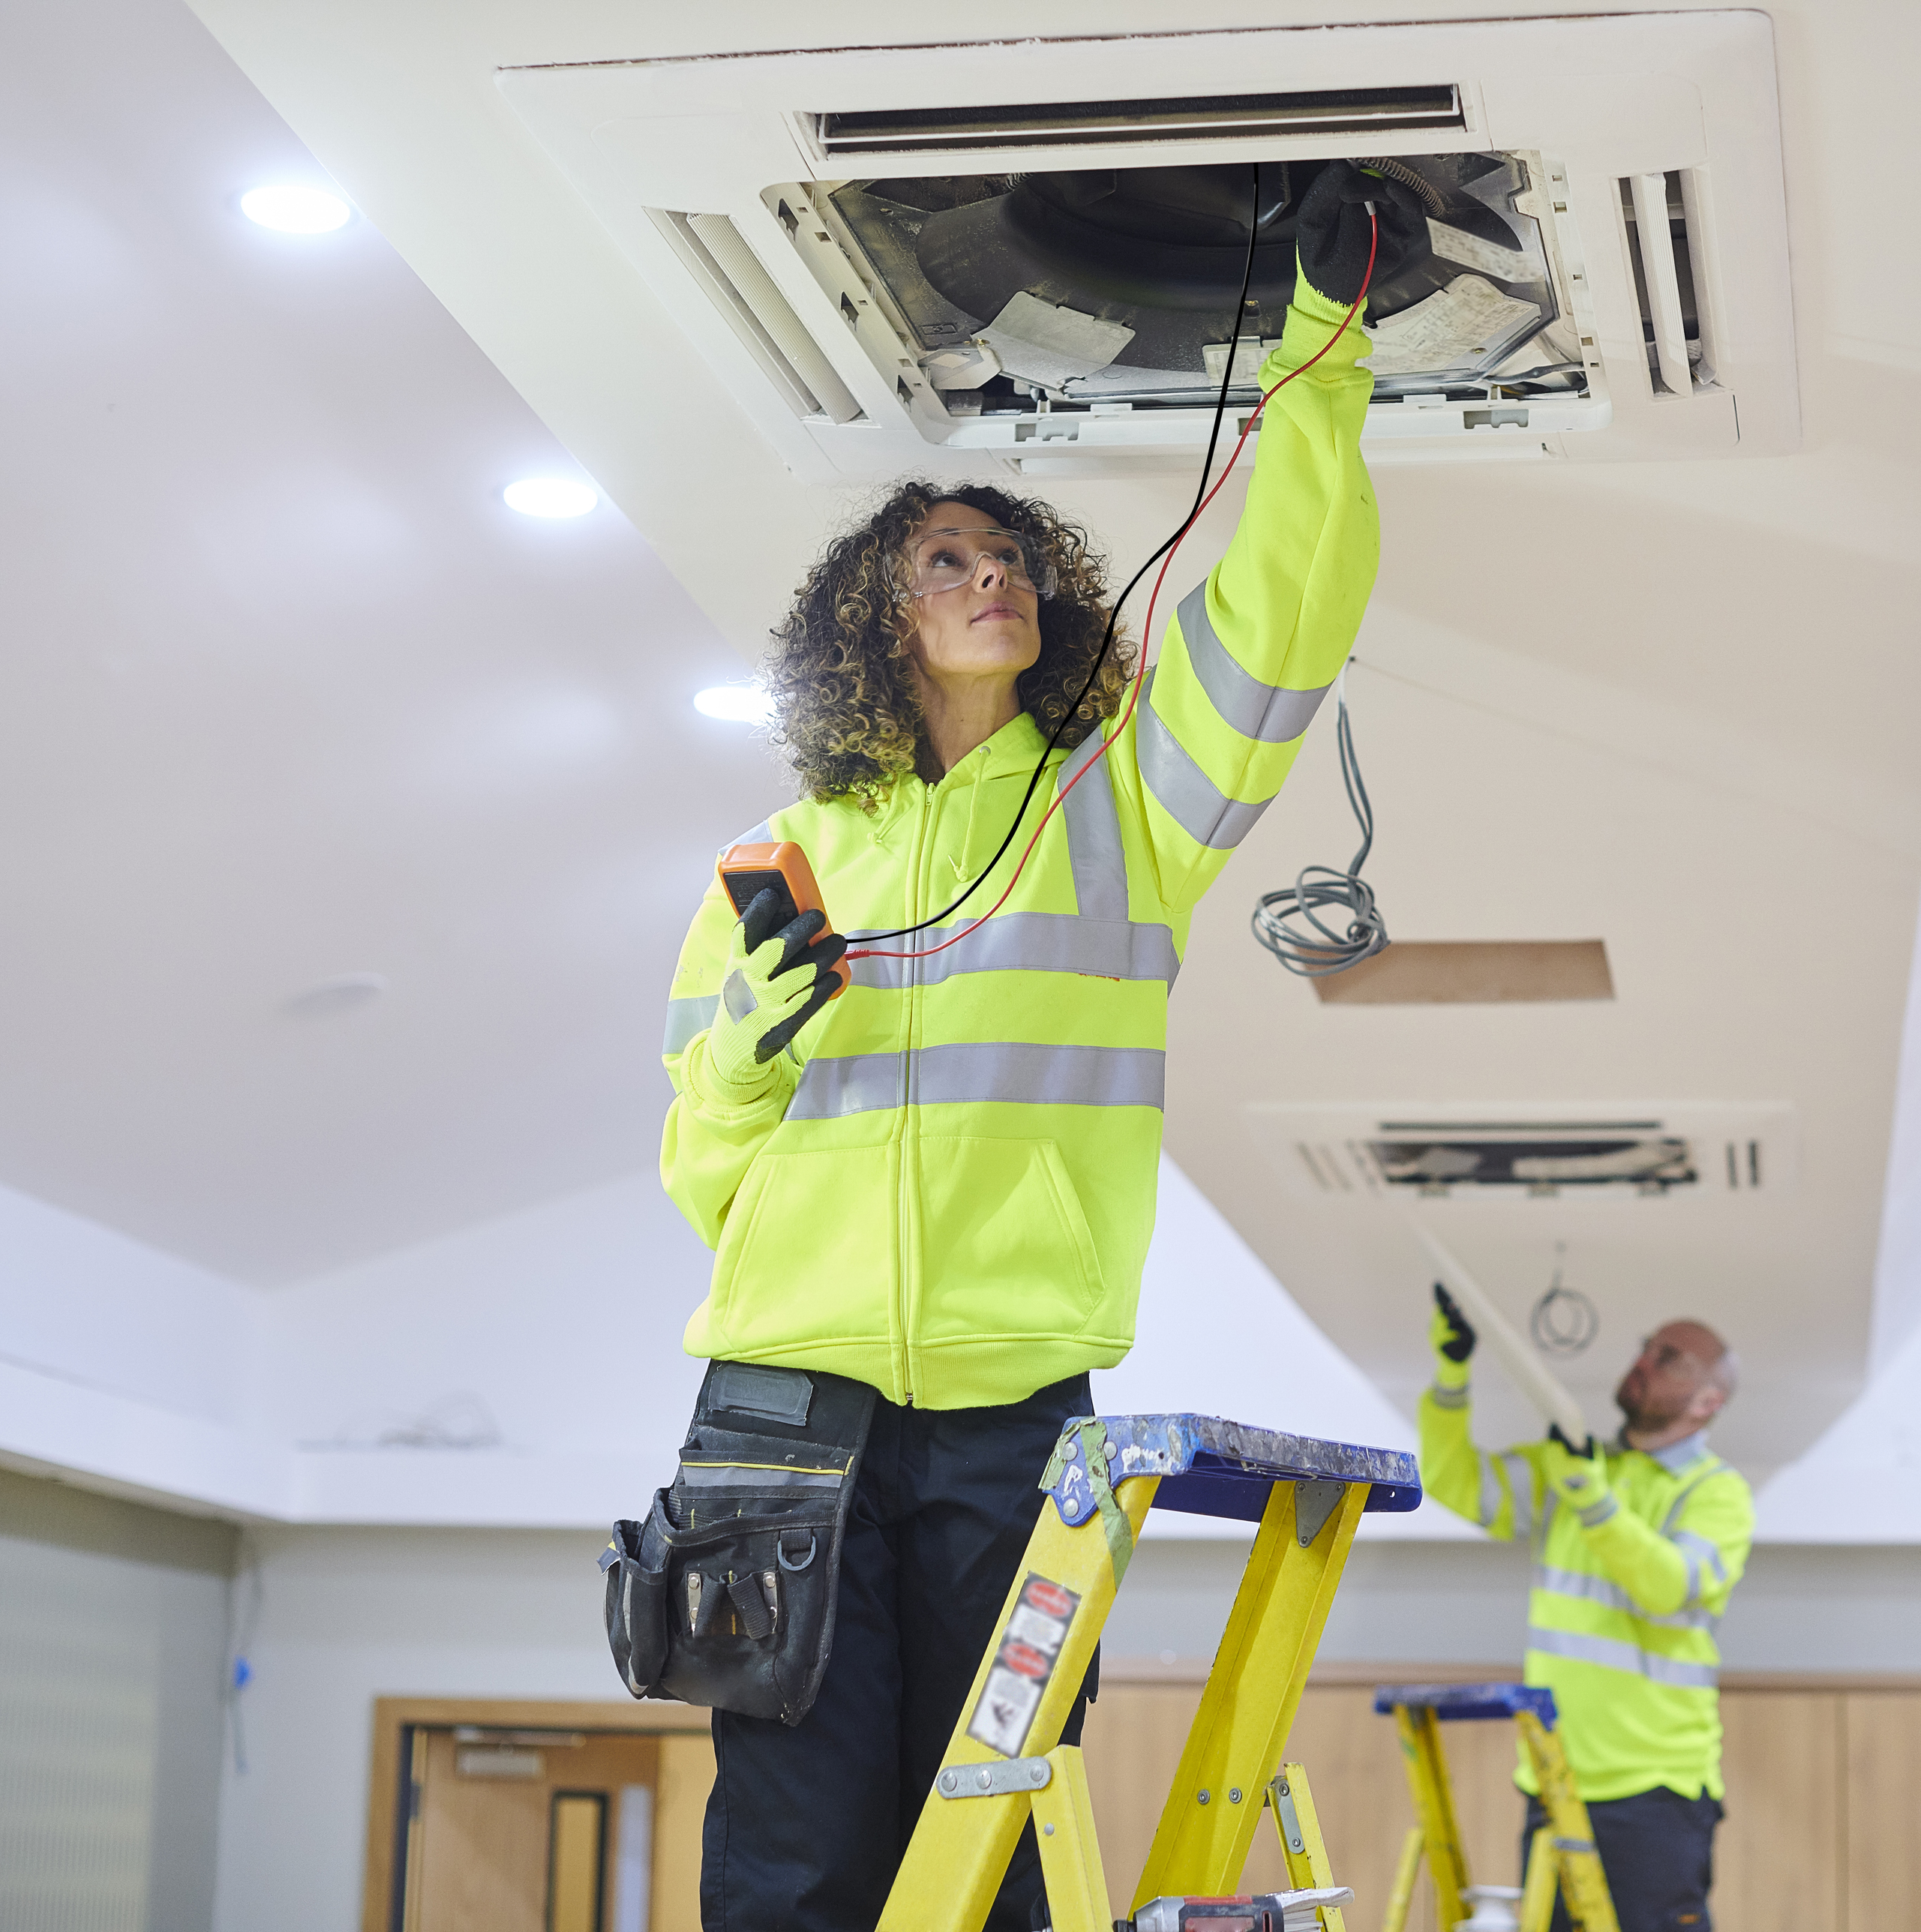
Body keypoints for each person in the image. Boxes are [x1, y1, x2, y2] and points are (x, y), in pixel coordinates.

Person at [651, 164, 1422, 1931]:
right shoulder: (770, 869)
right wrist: (752, 1055)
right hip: (784, 1404)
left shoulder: (1123, 806)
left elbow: (1286, 613)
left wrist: (1323, 345)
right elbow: (704, 1176)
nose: (988, 576)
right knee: (795, 1852)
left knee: (987, 1844)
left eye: (1008, 559)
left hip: (1016, 1401)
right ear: (873, 617)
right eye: (944, 561)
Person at [1417, 1291, 1757, 1932]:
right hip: (1555, 1776)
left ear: (1709, 1401)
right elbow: (1451, 1480)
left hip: (1654, 1788)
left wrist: (1590, 1496)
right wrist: (1451, 1373)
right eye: (1647, 1346)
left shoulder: (1717, 1493)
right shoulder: (1575, 1467)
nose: (1644, 1360)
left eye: (1669, 1357)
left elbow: (1669, 1585)